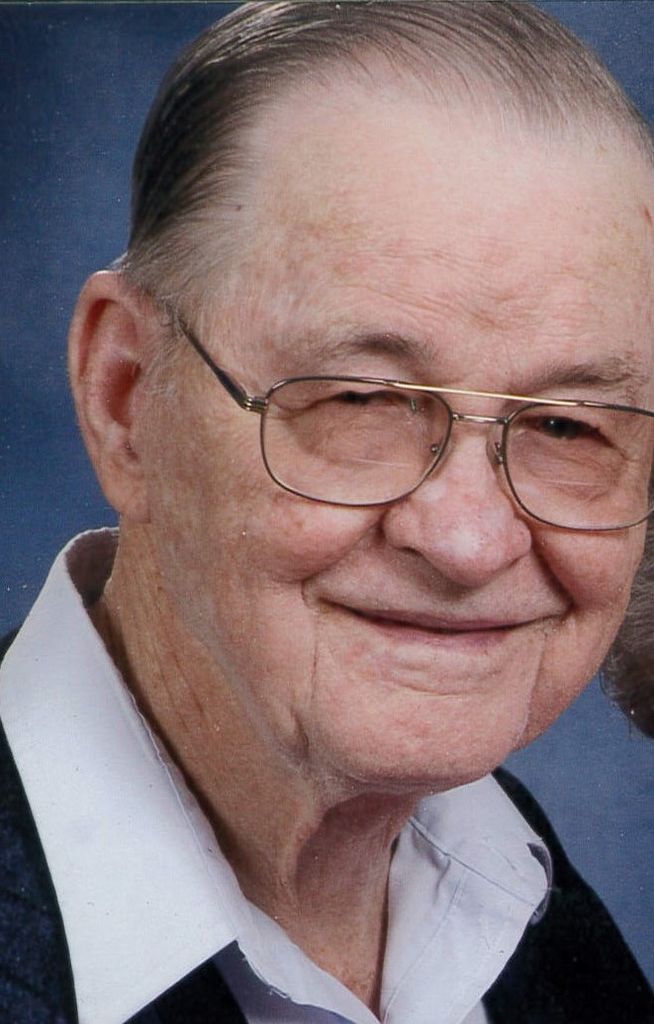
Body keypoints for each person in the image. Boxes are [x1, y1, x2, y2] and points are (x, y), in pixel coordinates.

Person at [1, 1, 654, 1021]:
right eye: (361, 402)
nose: (469, 541)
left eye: (568, 426)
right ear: (127, 398)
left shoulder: (542, 915)